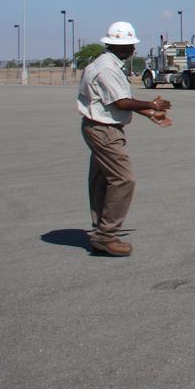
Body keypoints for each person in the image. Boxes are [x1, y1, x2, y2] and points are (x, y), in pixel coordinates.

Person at [76, 22, 172, 257]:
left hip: (101, 127)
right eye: (131, 45)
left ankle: (101, 229)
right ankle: (106, 236)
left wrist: (150, 114)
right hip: (104, 130)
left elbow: (122, 98)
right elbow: (121, 103)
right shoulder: (107, 68)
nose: (134, 50)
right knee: (123, 179)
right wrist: (152, 104)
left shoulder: (108, 64)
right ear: (124, 46)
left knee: (101, 181)